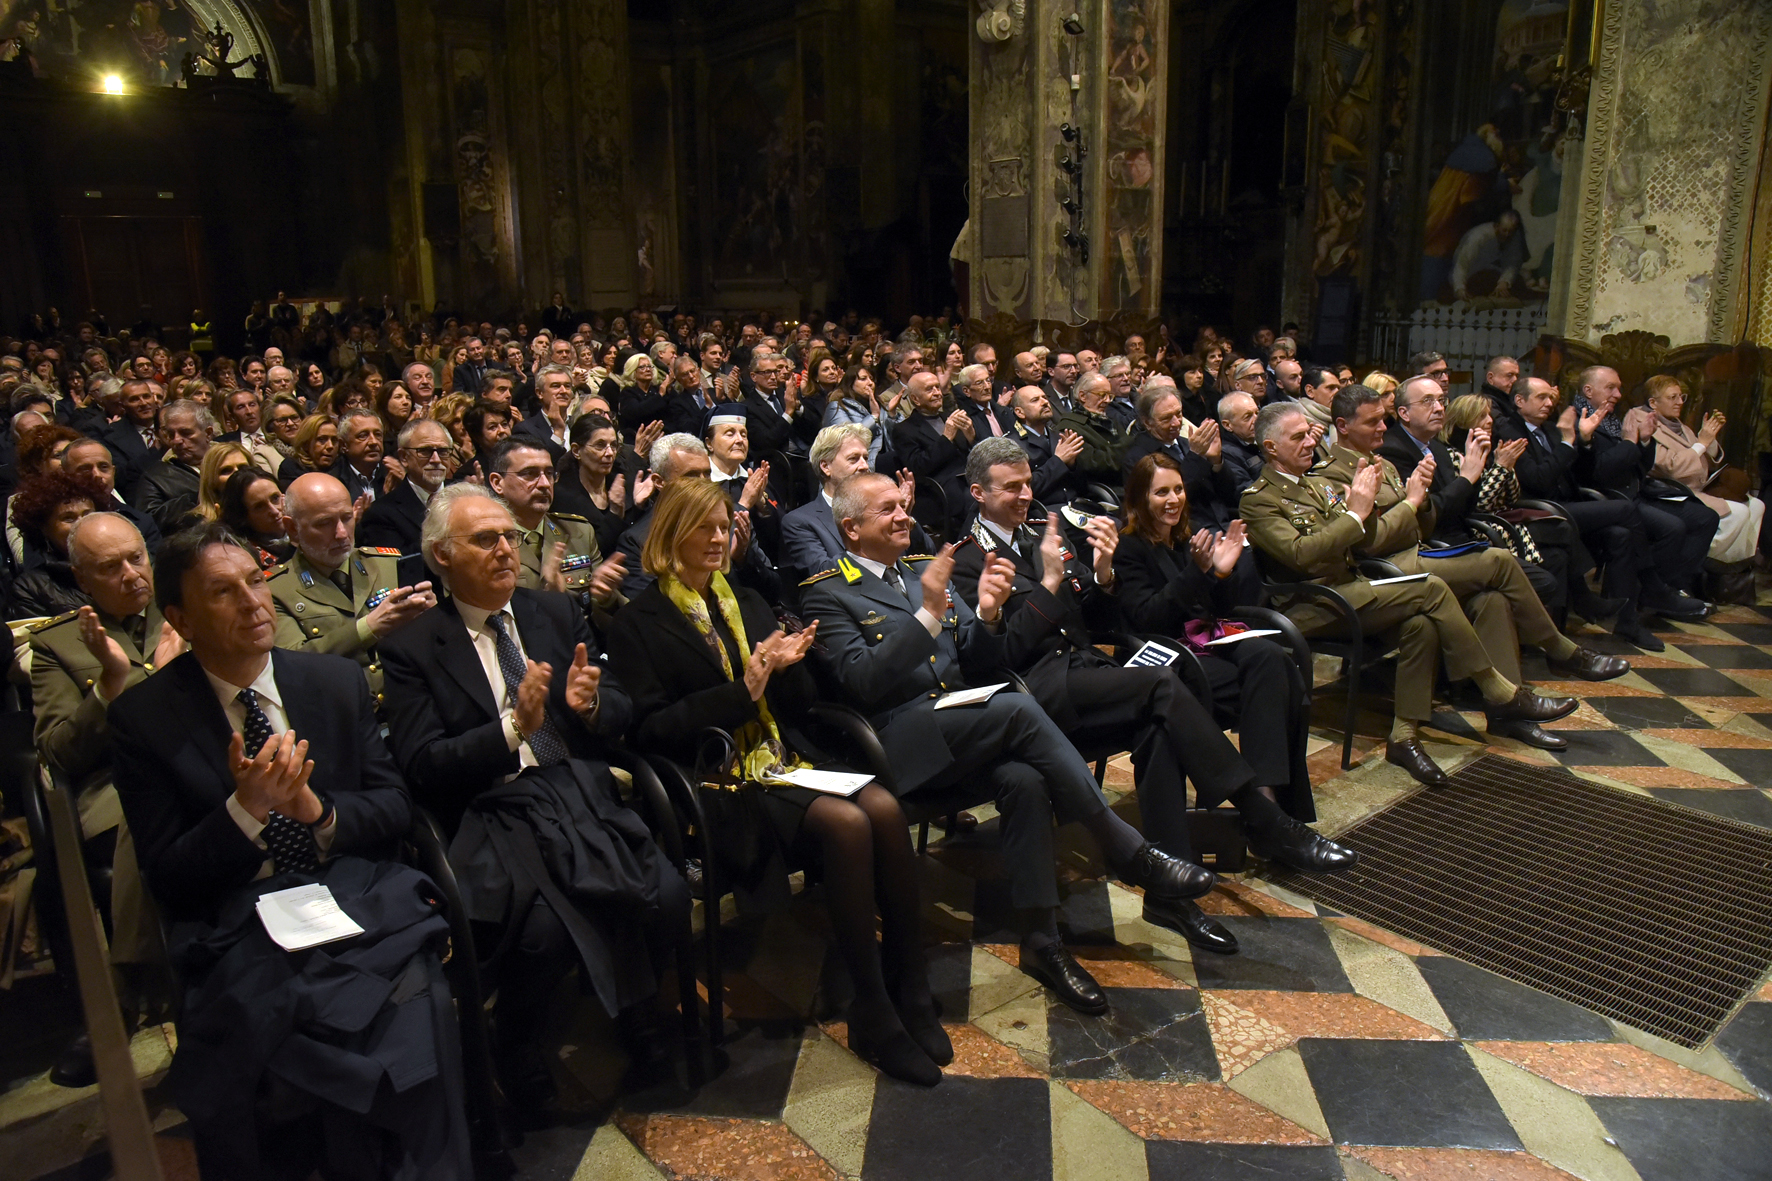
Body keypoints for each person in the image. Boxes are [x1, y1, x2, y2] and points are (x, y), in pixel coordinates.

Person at [107, 523, 464, 1180]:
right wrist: (247, 810)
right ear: (181, 619)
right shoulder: (145, 718)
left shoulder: (333, 681)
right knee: (300, 1025)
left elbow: (393, 807)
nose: (252, 601)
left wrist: (316, 811)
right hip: (239, 914)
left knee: (420, 1001)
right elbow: (169, 877)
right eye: (223, 592)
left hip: (349, 891)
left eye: (254, 580)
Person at [802, 471, 1224, 1012]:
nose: (905, 515)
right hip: (897, 743)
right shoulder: (828, 593)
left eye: (903, 505)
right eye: (888, 510)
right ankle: (1124, 848)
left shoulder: (919, 572)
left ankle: (1042, 941)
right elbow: (863, 684)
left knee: (1024, 779)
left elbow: (979, 663)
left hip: (963, 723)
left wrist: (986, 613)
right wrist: (930, 613)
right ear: (851, 528)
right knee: (1019, 707)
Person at [607, 479, 950, 1086]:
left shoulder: (745, 600)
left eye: (723, 526)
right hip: (714, 784)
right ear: (670, 535)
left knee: (885, 809)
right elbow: (653, 730)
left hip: (779, 758)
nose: (719, 539)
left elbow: (799, 705)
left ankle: (910, 982)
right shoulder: (639, 620)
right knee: (846, 823)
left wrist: (789, 668)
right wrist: (745, 689)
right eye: (703, 528)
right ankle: (872, 1011)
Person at [948, 437, 1347, 953]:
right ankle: (1262, 815)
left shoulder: (1039, 533)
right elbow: (994, 655)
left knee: (1158, 727)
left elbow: (1091, 618)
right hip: (1034, 690)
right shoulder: (966, 560)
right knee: (1164, 684)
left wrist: (1101, 574)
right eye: (1013, 487)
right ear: (978, 492)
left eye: (1029, 482)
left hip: (1084, 668)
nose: (1028, 494)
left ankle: (1168, 897)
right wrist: (1049, 584)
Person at [377, 483, 688, 1109]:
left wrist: (592, 704)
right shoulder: (412, 647)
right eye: (485, 539)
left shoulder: (552, 613)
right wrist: (511, 729)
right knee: (543, 932)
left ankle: (639, 1014)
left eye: (510, 538)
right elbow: (421, 763)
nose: (505, 551)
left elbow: (621, 704)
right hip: (492, 811)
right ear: (441, 555)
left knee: (666, 892)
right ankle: (517, 1044)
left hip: (577, 795)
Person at [1240, 402, 1585, 786]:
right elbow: (1302, 556)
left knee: (1420, 624)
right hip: (1313, 605)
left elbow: (1364, 541)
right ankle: (1498, 689)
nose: (1310, 441)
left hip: (1353, 588)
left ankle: (1403, 737)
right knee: (1432, 589)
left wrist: (1370, 508)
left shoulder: (1318, 484)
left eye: (1308, 433)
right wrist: (1356, 513)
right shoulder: (1258, 499)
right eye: (1298, 437)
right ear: (1270, 448)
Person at [1316, 382, 1627, 749]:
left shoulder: (1381, 461)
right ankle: (1561, 651)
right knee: (1496, 559)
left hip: (1418, 551)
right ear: (1344, 425)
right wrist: (1412, 504)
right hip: (1384, 571)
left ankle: (1507, 713)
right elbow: (1368, 542)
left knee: (1492, 599)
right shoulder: (1331, 474)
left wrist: (1424, 500)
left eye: (1383, 421)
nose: (1383, 429)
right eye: (1373, 423)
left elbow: (1426, 522)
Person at [1111, 452, 1352, 866]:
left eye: (1179, 489)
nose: (1174, 499)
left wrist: (1221, 574)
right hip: (1165, 659)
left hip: (1202, 645)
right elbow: (1146, 617)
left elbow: (1217, 609)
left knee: (1272, 659)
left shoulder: (1187, 540)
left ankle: (1267, 804)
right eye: (1161, 492)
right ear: (1139, 499)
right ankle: (1271, 822)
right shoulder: (1131, 548)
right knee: (1268, 686)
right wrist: (1196, 573)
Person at [30, 514, 184, 1052]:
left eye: (136, 557)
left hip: (202, 755)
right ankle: (137, 981)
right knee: (152, 807)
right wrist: (111, 686)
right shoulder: (60, 645)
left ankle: (131, 986)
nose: (131, 574)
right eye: (110, 567)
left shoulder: (184, 610)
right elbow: (59, 750)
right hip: (114, 787)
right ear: (80, 578)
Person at [1502, 374, 1709, 649]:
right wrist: (1567, 442)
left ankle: (1627, 623)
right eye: (1541, 397)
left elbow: (1583, 473)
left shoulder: (1552, 428)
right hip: (1535, 512)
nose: (1549, 403)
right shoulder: (1509, 429)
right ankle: (1653, 586)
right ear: (1519, 400)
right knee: (1626, 509)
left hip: (1569, 505)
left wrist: (1584, 441)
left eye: (1551, 397)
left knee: (1620, 534)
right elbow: (1537, 481)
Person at [270, 473, 436, 710]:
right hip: (340, 716)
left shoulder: (388, 563)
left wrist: (433, 616)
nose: (341, 533)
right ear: (292, 529)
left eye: (347, 518)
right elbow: (291, 664)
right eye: (323, 523)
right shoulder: (276, 589)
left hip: (410, 707)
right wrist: (368, 628)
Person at [1633, 374, 1762, 566]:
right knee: (1739, 513)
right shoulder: (1644, 426)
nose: (1679, 402)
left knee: (1757, 505)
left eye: (1681, 397)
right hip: (1671, 491)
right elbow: (1671, 468)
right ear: (1653, 402)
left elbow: (1704, 457)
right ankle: (1704, 561)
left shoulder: (1681, 427)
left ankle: (1736, 569)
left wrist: (1708, 441)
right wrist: (1701, 443)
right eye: (1672, 397)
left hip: (1696, 486)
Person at [484, 438, 626, 609]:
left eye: (549, 473)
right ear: (497, 483)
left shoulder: (578, 531)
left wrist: (605, 597)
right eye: (530, 473)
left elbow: (599, 608)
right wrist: (555, 597)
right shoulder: (485, 543)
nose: (544, 484)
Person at [554, 412, 649, 555]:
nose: (610, 453)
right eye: (600, 445)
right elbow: (588, 553)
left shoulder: (622, 482)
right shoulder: (562, 496)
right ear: (576, 451)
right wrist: (615, 513)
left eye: (613, 445)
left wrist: (638, 506)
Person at [357, 418, 453, 555]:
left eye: (443, 451)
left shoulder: (467, 496)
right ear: (403, 457)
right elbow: (401, 567)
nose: (436, 459)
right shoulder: (380, 514)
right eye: (425, 451)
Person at [8, 469, 95, 617]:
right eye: (68, 518)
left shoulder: (128, 561)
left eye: (88, 514)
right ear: (44, 529)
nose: (83, 524)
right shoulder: (30, 588)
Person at [63, 438, 164, 558]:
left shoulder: (141, 522)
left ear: (113, 472)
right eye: (85, 469)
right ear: (64, 474)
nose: (97, 475)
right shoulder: (53, 519)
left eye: (103, 467)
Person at [132, 399, 214, 534]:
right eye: (171, 435)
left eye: (186, 433)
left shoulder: (232, 460)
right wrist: (197, 497)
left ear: (208, 433)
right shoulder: (155, 477)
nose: (176, 440)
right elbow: (148, 524)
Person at [218, 468, 292, 567]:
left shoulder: (308, 524)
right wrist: (294, 545)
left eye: (275, 498)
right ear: (243, 517)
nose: (274, 511)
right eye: (259, 507)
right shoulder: (244, 556)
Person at [332, 409, 401, 504]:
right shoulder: (332, 481)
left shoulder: (395, 474)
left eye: (378, 435)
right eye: (363, 436)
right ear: (344, 445)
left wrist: (408, 486)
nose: (373, 442)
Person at [277, 414, 342, 487]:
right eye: (321, 439)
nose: (330, 446)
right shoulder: (291, 468)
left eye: (334, 440)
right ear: (305, 444)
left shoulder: (343, 465)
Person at [1217, 391, 1264, 489]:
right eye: (1248, 417)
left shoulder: (1264, 439)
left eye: (1257, 413)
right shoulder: (1226, 454)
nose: (1256, 420)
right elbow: (1246, 491)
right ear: (1227, 425)